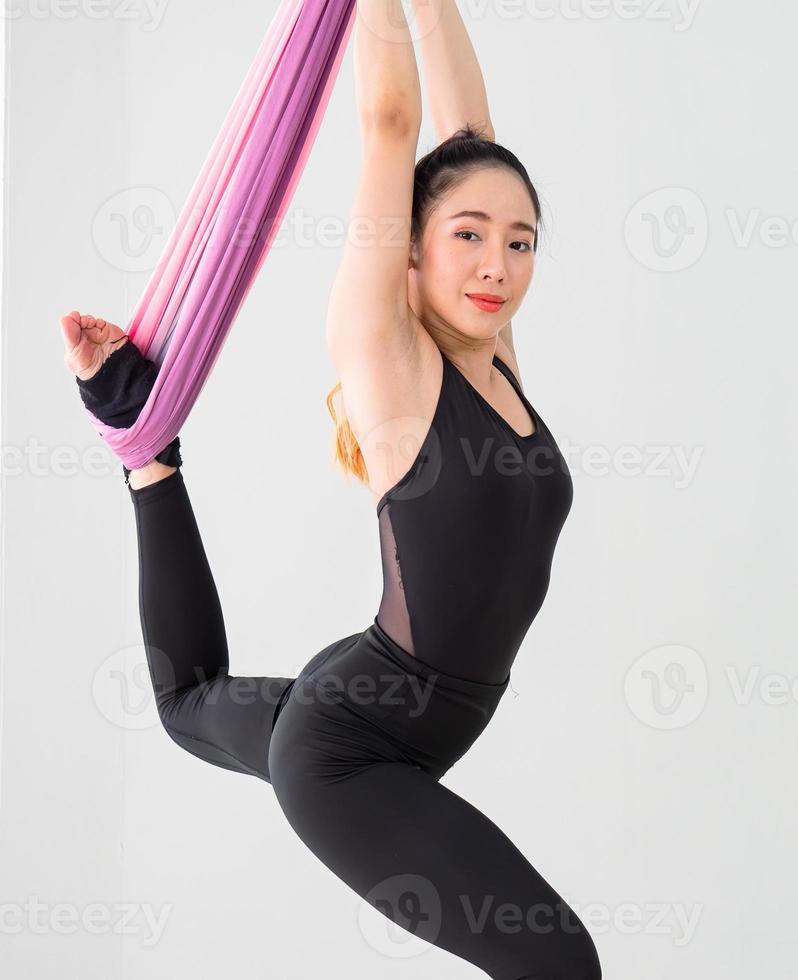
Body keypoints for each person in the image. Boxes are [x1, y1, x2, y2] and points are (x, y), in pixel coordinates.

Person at [60, 1, 598, 976]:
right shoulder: (388, 359)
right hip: (351, 750)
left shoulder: (493, 358)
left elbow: (468, 135)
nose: (497, 264)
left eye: (521, 243)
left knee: (189, 706)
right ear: (409, 248)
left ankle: (147, 450)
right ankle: (143, 441)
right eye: (469, 235)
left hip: (368, 696)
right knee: (555, 961)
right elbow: (395, 121)